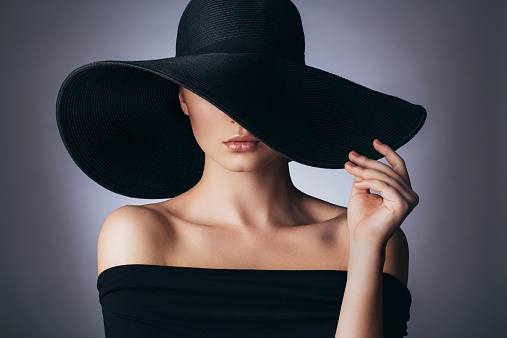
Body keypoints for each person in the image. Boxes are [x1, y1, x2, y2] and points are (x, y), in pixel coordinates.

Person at [56, 1, 426, 337]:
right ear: (182, 99)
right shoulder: (139, 233)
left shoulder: (371, 238)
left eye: (259, 88)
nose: (238, 117)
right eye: (214, 90)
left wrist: (366, 249)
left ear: (296, 97)